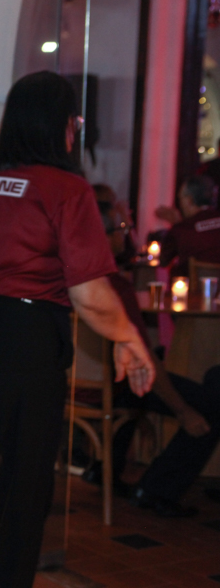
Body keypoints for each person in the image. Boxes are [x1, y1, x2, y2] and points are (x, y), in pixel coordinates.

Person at [0, 71, 155, 588]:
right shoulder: (65, 189)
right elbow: (90, 293)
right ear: (65, 125)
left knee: (12, 490)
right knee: (24, 498)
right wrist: (131, 339)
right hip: (24, 343)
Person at [90, 201, 220, 517]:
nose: (127, 235)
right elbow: (144, 363)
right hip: (123, 380)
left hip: (91, 378)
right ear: (102, 237)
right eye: (121, 229)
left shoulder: (84, 280)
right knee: (211, 403)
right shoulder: (116, 288)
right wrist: (184, 411)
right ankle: (156, 490)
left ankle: (103, 469)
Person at [155, 175, 220, 277]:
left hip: (194, 291)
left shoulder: (181, 229)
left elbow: (163, 261)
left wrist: (177, 224)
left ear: (189, 200)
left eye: (180, 198)